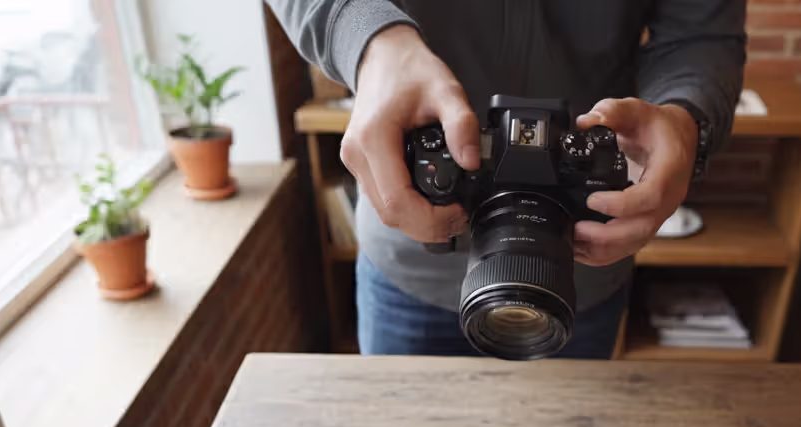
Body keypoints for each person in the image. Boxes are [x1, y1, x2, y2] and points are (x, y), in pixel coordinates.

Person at [265, 1, 745, 357]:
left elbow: (702, 34)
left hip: (582, 270)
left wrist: (683, 119)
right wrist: (370, 39)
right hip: (409, 258)